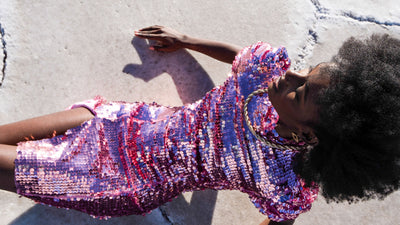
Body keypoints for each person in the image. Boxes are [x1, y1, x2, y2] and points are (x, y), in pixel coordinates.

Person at [0, 25, 399, 225]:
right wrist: (186, 40)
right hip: (119, 121)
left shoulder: (287, 180)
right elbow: (237, 56)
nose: (289, 77)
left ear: (312, 136)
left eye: (301, 92)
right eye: (305, 72)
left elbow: (280, 219)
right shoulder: (263, 72)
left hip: (115, 180)